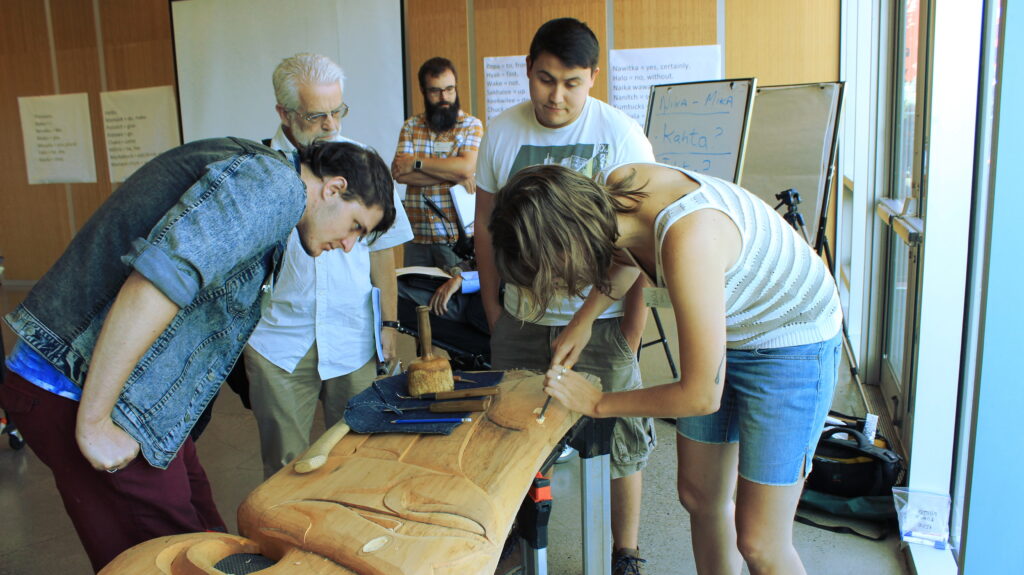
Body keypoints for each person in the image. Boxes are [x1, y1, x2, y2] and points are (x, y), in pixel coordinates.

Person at [0, 138, 396, 572]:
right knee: (164, 560)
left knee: (207, 542)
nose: (349, 245)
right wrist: (95, 419)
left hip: (138, 401)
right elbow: (160, 279)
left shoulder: (262, 176)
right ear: (333, 188)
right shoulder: (276, 187)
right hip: (77, 388)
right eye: (356, 226)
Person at [491, 163, 844, 575]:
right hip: (733, 328)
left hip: (792, 340)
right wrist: (582, 321)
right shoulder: (616, 194)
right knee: (700, 496)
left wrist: (599, 402)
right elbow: (624, 253)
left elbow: (699, 395)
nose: (557, 286)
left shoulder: (688, 242)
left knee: (760, 539)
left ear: (569, 242)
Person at [472, 17, 656, 573]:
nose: (556, 96)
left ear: (593, 78)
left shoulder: (621, 135)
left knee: (619, 443)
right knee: (511, 434)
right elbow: (485, 226)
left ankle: (625, 551)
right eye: (546, 79)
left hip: (599, 319)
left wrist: (630, 326)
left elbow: (640, 241)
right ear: (528, 70)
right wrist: (492, 307)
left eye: (571, 82)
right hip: (522, 317)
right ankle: (509, 536)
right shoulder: (502, 133)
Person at [245, 53, 413, 478]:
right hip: (278, 343)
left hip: (352, 334)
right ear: (284, 113)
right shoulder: (258, 170)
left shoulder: (363, 165)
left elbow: (381, 250)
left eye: (338, 111)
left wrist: (388, 326)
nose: (332, 126)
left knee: (356, 456)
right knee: (286, 467)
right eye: (317, 115)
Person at [392, 57, 483, 269]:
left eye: (450, 89)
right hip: (417, 237)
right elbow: (400, 173)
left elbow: (466, 167)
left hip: (454, 238)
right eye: (435, 91)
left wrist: (416, 163)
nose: (444, 97)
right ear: (423, 92)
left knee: (455, 300)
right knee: (416, 297)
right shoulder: (410, 127)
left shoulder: (471, 125)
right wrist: (453, 172)